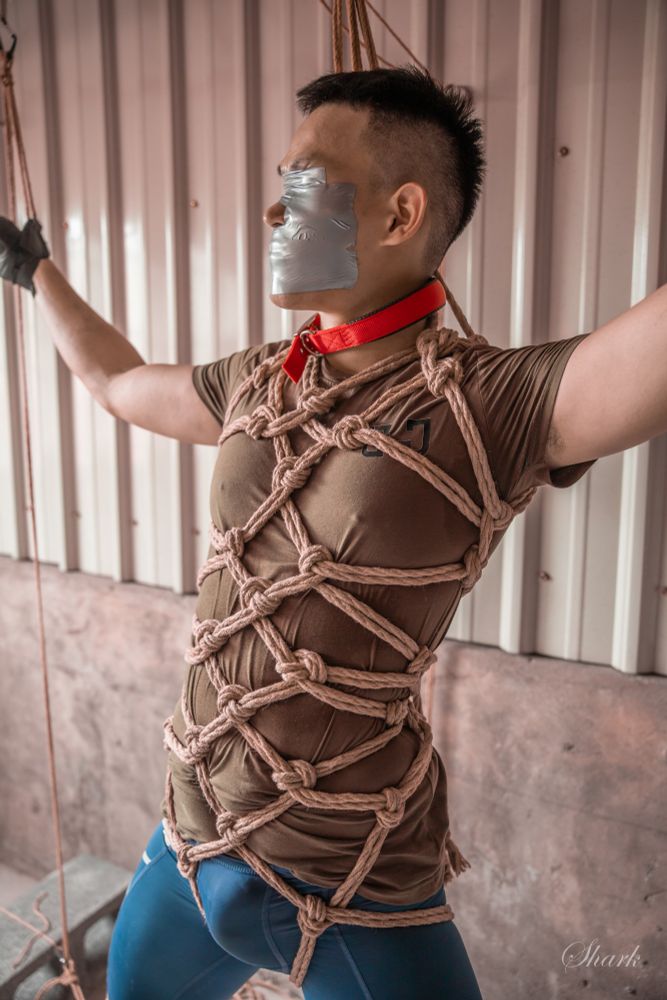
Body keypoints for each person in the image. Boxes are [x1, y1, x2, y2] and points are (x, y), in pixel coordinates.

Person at [2, 66, 666, 1000]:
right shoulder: (258, 380)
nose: (274, 212)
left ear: (400, 214)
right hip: (192, 842)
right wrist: (34, 273)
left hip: (350, 879)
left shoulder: (493, 401)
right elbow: (117, 382)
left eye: (304, 184)